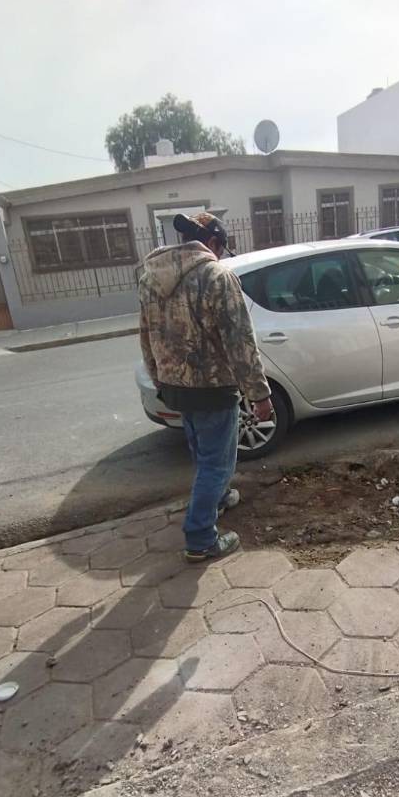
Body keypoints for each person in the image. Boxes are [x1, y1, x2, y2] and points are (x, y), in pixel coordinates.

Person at [138, 212, 274, 561]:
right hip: (212, 387)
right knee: (217, 462)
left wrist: (158, 380)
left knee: (202, 452)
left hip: (174, 385)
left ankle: (216, 498)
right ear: (212, 243)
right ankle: (200, 537)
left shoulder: (150, 279)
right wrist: (259, 395)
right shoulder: (216, 276)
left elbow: (146, 336)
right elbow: (240, 342)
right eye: (221, 249)